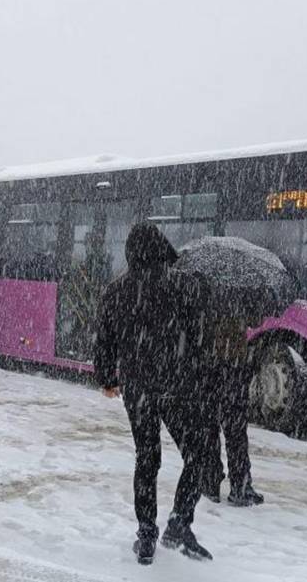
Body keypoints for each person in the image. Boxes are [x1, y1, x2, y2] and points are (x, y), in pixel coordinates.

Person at [95, 223, 212, 565]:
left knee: (147, 458)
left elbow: (105, 340)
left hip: (137, 388)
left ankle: (146, 535)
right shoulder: (182, 285)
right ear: (162, 247)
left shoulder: (116, 290)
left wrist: (106, 378)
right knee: (198, 453)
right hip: (177, 386)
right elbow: (198, 337)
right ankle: (179, 523)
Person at [201, 312, 265, 507]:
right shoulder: (238, 289)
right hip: (228, 363)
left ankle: (212, 482)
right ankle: (237, 484)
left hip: (211, 363)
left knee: (213, 426)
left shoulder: (206, 286)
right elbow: (256, 319)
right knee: (232, 428)